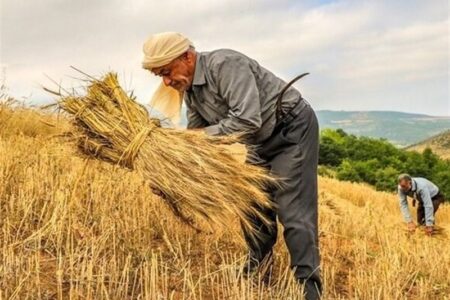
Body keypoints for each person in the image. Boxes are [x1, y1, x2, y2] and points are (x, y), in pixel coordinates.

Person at [142, 32, 322, 299]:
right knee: (253, 206)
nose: (167, 82)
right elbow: (199, 141)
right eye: (161, 76)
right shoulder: (192, 92)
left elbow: (248, 120)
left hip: (290, 131)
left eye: (167, 72)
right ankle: (256, 266)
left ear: (187, 57)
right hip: (258, 142)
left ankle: (309, 287)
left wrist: (197, 137)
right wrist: (171, 169)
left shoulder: (225, 65)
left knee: (292, 211)